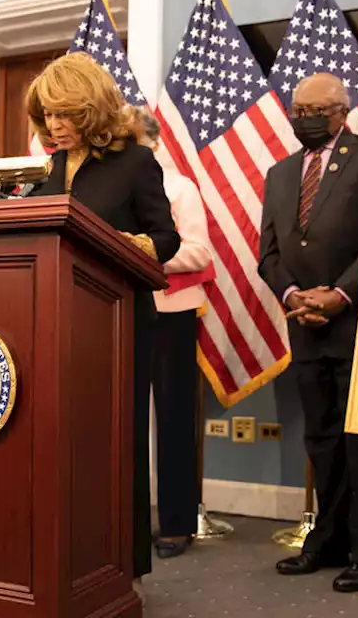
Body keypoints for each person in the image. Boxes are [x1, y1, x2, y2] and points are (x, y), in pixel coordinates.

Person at [24, 53, 180, 586]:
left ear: (91, 109)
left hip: (116, 324)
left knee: (114, 446)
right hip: (53, 326)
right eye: (46, 116)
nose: (54, 126)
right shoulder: (43, 173)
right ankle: (63, 560)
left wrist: (124, 245)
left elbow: (166, 238)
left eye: (64, 114)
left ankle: (119, 566)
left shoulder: (135, 163)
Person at [257, 73, 358, 593]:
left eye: (315, 110)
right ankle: (328, 539)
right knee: (321, 440)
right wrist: (295, 297)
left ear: (342, 110)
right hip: (305, 326)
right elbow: (268, 253)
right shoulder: (280, 172)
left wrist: (339, 295)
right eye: (298, 109)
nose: (303, 119)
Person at [136, 109, 215, 560]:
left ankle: (177, 523)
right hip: (124, 311)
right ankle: (128, 520)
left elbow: (199, 252)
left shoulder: (179, 187)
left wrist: (143, 255)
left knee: (173, 420)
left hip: (172, 314)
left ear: (155, 144)